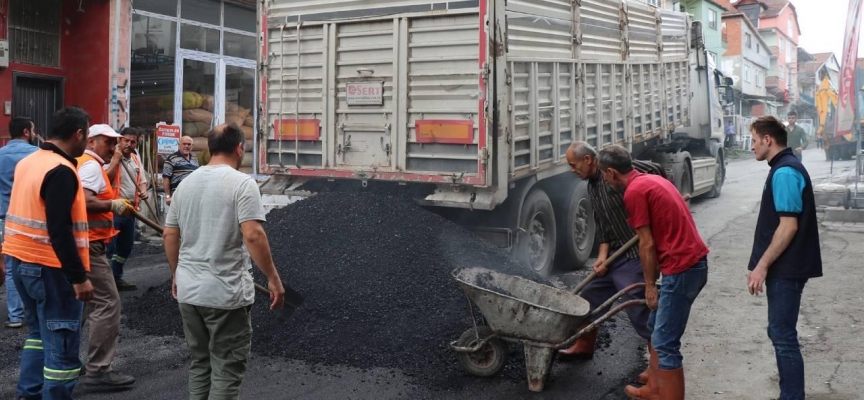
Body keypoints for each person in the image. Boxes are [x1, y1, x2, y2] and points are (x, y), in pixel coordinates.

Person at [164, 124, 285, 400]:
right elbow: (253, 235)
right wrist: (273, 279)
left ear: (209, 149)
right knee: (227, 368)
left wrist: (176, 273)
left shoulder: (186, 185)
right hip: (225, 295)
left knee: (200, 364)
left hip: (189, 293)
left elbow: (170, 234)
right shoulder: (242, 184)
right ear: (239, 148)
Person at [597, 145, 709, 400]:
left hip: (683, 268)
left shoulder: (634, 192)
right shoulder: (652, 180)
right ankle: (655, 387)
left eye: (604, 174)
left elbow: (645, 243)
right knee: (655, 324)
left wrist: (649, 285)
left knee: (665, 342)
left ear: (612, 172)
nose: (604, 180)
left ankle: (666, 395)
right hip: (689, 264)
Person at [2, 106, 94, 399]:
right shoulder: (62, 171)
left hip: (19, 260)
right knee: (62, 350)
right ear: (78, 134)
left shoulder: (30, 162)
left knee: (38, 336)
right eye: (87, 135)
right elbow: (59, 230)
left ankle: (27, 394)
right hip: (50, 268)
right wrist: (78, 277)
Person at [561, 142, 662, 386]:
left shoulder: (615, 173)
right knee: (589, 296)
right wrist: (602, 256)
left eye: (573, 165)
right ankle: (584, 345)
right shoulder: (592, 185)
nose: (571, 170)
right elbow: (603, 224)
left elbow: (655, 171)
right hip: (616, 251)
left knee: (638, 304)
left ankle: (658, 367)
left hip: (636, 252)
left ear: (588, 159)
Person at [748, 116, 822, 400]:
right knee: (779, 332)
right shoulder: (782, 168)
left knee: (783, 336)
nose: (752, 146)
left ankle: (792, 396)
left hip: (786, 269)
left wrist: (761, 266)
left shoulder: (785, 172)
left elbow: (788, 225)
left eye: (754, 140)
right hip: (787, 268)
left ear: (768, 139)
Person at [76, 124, 137, 388]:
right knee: (107, 303)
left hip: (81, 245)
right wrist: (113, 205)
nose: (112, 147)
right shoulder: (90, 166)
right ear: (91, 141)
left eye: (115, 142)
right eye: (107, 142)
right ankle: (98, 370)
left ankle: (67, 360)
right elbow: (84, 201)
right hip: (90, 246)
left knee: (77, 306)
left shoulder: (85, 162)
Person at [0, 117, 38, 329]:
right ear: (26, 132)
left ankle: (15, 316)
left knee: (11, 266)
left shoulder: (0, 156)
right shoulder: (36, 155)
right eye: (32, 130)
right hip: (32, 218)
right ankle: (33, 310)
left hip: (6, 218)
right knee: (35, 264)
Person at [106, 127, 149, 291]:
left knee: (125, 247)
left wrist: (143, 191)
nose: (129, 144)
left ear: (137, 143)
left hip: (130, 210)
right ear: (119, 140)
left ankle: (116, 277)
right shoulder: (109, 158)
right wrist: (115, 160)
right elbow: (105, 180)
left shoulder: (135, 159)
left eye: (133, 142)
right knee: (110, 247)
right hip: (114, 209)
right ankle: (107, 282)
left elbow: (142, 180)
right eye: (126, 140)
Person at [163, 135, 199, 214]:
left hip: (192, 197)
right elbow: (166, 178)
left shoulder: (194, 159)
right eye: (184, 144)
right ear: (179, 145)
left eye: (189, 144)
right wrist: (168, 197)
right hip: (178, 196)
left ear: (192, 146)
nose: (186, 146)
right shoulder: (171, 159)